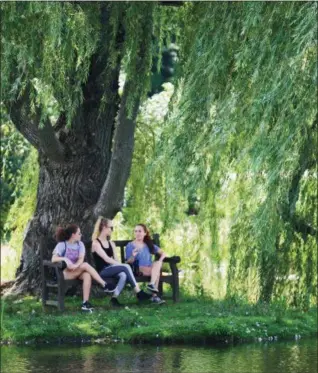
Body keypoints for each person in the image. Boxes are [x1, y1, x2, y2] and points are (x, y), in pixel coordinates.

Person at [52, 224, 115, 312]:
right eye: (79, 233)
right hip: (65, 273)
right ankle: (104, 284)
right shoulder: (62, 245)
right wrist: (65, 259)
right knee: (85, 265)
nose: (81, 235)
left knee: (87, 274)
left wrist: (75, 266)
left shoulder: (80, 244)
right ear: (73, 235)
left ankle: (85, 303)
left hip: (76, 270)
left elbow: (81, 259)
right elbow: (53, 259)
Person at [91, 217, 151, 307]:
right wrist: (123, 265)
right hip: (103, 271)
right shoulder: (95, 243)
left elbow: (116, 259)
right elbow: (106, 259)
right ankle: (139, 292)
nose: (112, 230)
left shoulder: (111, 243)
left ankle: (114, 299)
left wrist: (121, 265)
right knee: (126, 267)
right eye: (111, 227)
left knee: (123, 274)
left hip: (112, 269)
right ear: (104, 227)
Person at [126, 224, 166, 304]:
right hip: (138, 269)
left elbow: (163, 253)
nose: (137, 233)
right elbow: (128, 262)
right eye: (136, 231)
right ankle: (154, 296)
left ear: (145, 233)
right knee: (156, 272)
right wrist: (133, 255)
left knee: (157, 264)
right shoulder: (130, 245)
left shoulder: (148, 244)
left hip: (150, 268)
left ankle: (152, 285)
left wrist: (160, 261)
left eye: (140, 231)